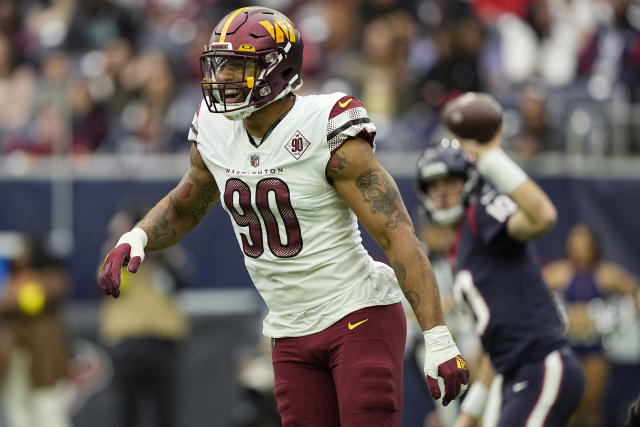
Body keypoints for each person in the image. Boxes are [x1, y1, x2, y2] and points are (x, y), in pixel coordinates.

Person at [98, 6, 469, 426]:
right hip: (289, 331)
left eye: (236, 68)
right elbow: (186, 205)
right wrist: (140, 236)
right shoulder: (214, 130)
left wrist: (437, 336)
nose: (221, 80)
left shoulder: (324, 127)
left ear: (276, 70)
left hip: (357, 314)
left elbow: (397, 234)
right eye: (219, 67)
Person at [415, 131, 585, 426]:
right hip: (516, 373)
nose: (441, 192)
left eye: (449, 182)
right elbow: (495, 346)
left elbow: (542, 217)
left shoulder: (480, 215)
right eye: (434, 186)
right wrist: (469, 415)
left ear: (468, 180)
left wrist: (492, 156)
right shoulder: (461, 248)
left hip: (540, 364)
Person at [99, 205, 189, 427]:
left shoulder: (167, 252)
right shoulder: (114, 251)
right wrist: (122, 244)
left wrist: (156, 249)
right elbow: (105, 285)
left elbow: (181, 282)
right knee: (126, 413)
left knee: (166, 412)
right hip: (126, 341)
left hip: (161, 341)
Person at [543, 222, 639, 427]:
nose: (580, 248)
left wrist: (615, 319)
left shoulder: (606, 273)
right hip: (568, 348)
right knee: (567, 409)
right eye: (576, 243)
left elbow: (634, 292)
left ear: (593, 245)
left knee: (592, 410)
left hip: (595, 349)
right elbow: (532, 294)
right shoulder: (558, 272)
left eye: (584, 243)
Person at [0, 236, 72, 427]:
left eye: (24, 249)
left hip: (44, 354)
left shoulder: (52, 276)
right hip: (15, 355)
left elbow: (32, 301)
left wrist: (23, 287)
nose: (20, 254)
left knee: (48, 406)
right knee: (17, 410)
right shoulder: (14, 278)